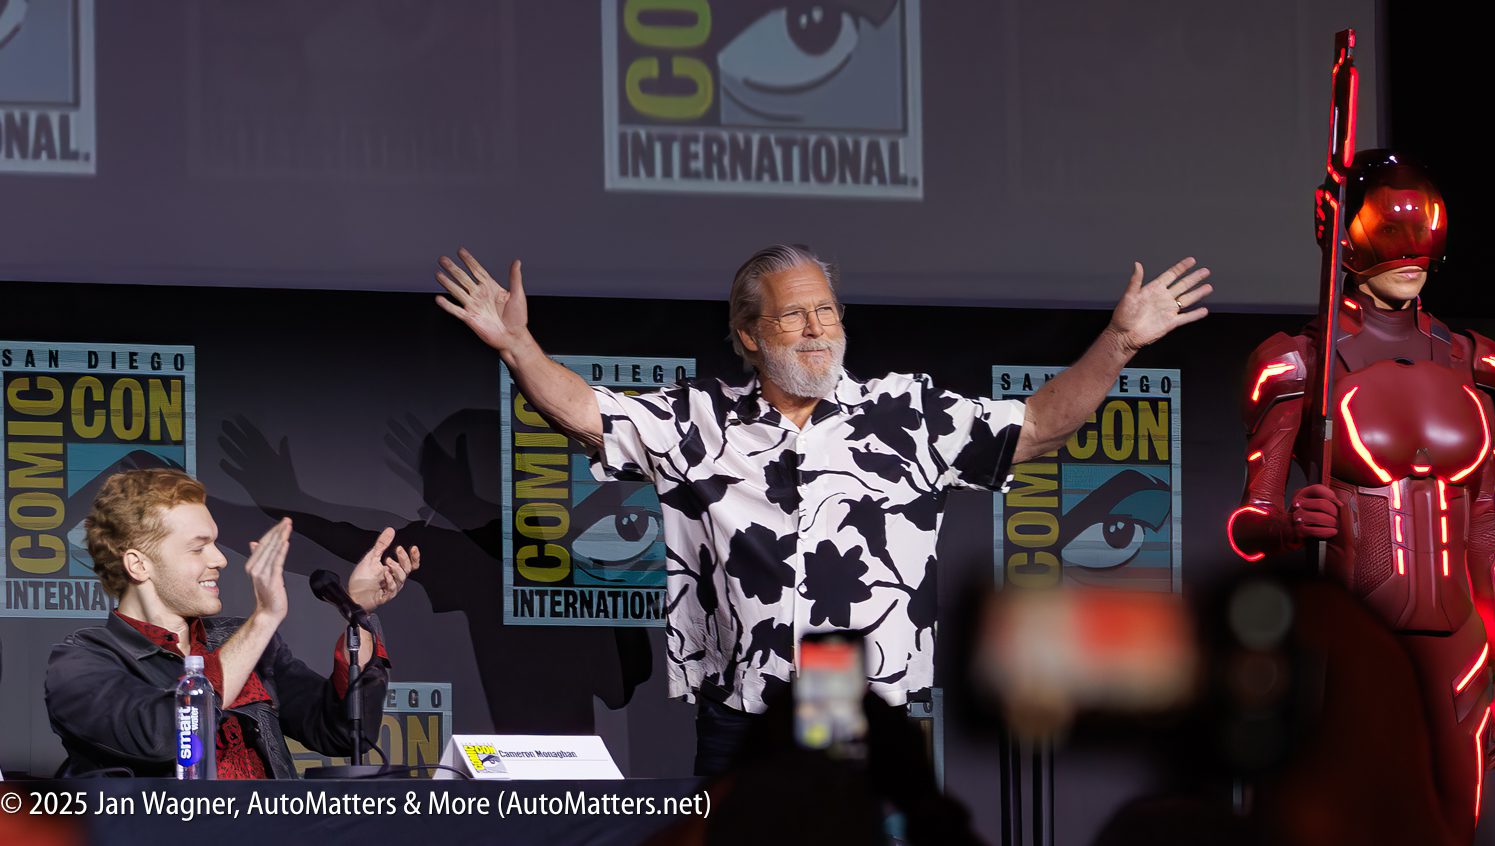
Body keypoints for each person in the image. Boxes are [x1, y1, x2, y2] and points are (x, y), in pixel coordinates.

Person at [434, 243, 1213, 775]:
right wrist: (518, 348)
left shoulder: (907, 413)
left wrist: (1118, 342)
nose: (816, 331)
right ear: (747, 334)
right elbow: (589, 416)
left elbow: (1038, 425)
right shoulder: (700, 420)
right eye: (792, 316)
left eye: (828, 312)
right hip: (744, 722)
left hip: (863, 718)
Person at [1226, 150, 1495, 843]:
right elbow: (1250, 523)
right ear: (1344, 234)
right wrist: (1291, 527)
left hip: (1461, 649)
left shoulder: (1474, 363)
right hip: (1350, 648)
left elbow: (1485, 528)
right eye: (1388, 233)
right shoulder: (1300, 362)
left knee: (1453, 829)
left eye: (1421, 232)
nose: (1408, 250)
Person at [44, 468, 420, 778]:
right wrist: (265, 618)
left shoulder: (242, 641)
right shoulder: (81, 663)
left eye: (215, 543)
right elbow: (163, 737)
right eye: (198, 547)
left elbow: (341, 732)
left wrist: (358, 614)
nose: (220, 560)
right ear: (138, 564)